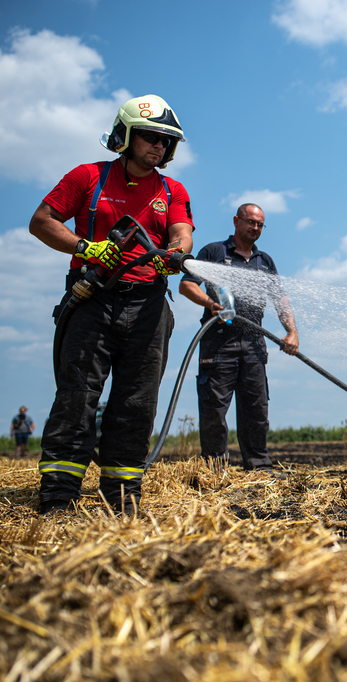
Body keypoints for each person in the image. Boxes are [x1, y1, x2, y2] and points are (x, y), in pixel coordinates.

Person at [28, 94, 193, 514]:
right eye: (151, 137)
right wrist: (88, 247)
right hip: (93, 299)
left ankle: (121, 499)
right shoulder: (87, 177)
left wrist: (175, 254)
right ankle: (59, 498)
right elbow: (41, 221)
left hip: (149, 306)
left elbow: (181, 233)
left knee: (137, 403)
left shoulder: (173, 189)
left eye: (166, 141)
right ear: (127, 135)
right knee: (77, 396)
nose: (159, 146)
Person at [179, 204, 299, 476]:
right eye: (250, 222)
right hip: (219, 342)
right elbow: (185, 285)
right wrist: (212, 305)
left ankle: (259, 468)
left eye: (260, 225)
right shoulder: (213, 252)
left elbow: (280, 300)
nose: (255, 228)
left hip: (254, 341)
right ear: (236, 221)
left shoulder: (264, 261)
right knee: (214, 409)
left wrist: (292, 332)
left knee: (256, 408)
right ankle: (214, 471)